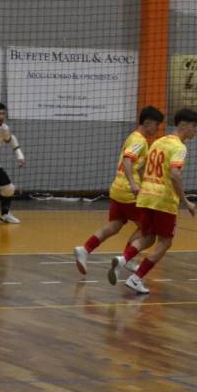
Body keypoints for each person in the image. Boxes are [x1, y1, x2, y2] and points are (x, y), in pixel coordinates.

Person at [108, 108, 197, 296]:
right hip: (163, 199)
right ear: (183, 125)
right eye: (193, 126)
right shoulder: (179, 148)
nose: (195, 131)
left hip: (146, 195)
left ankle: (124, 258)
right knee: (165, 242)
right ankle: (136, 278)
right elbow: (175, 175)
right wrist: (185, 201)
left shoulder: (158, 142)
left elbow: (144, 168)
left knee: (148, 236)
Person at [73, 106, 164, 275]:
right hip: (130, 193)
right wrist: (133, 184)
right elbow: (128, 161)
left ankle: (85, 249)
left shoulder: (132, 137)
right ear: (147, 122)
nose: (157, 129)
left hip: (117, 189)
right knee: (149, 232)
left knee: (114, 225)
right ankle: (127, 258)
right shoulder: (139, 141)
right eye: (156, 125)